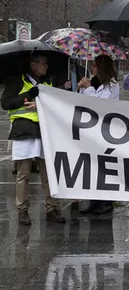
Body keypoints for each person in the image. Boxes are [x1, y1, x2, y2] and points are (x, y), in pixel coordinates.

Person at [1, 53, 67, 225]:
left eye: (46, 63)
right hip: (24, 131)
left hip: (45, 131)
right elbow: (6, 103)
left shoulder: (47, 82)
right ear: (32, 64)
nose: (45, 66)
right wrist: (28, 95)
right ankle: (22, 209)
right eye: (42, 63)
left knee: (48, 173)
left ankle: (51, 207)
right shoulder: (17, 81)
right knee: (23, 174)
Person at [77, 55, 120, 216]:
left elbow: (100, 106)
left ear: (101, 68)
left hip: (106, 131)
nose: (92, 68)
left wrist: (88, 88)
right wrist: (80, 87)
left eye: (94, 66)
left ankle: (106, 202)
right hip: (90, 132)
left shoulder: (112, 86)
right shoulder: (92, 82)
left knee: (104, 167)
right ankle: (93, 202)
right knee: (92, 167)